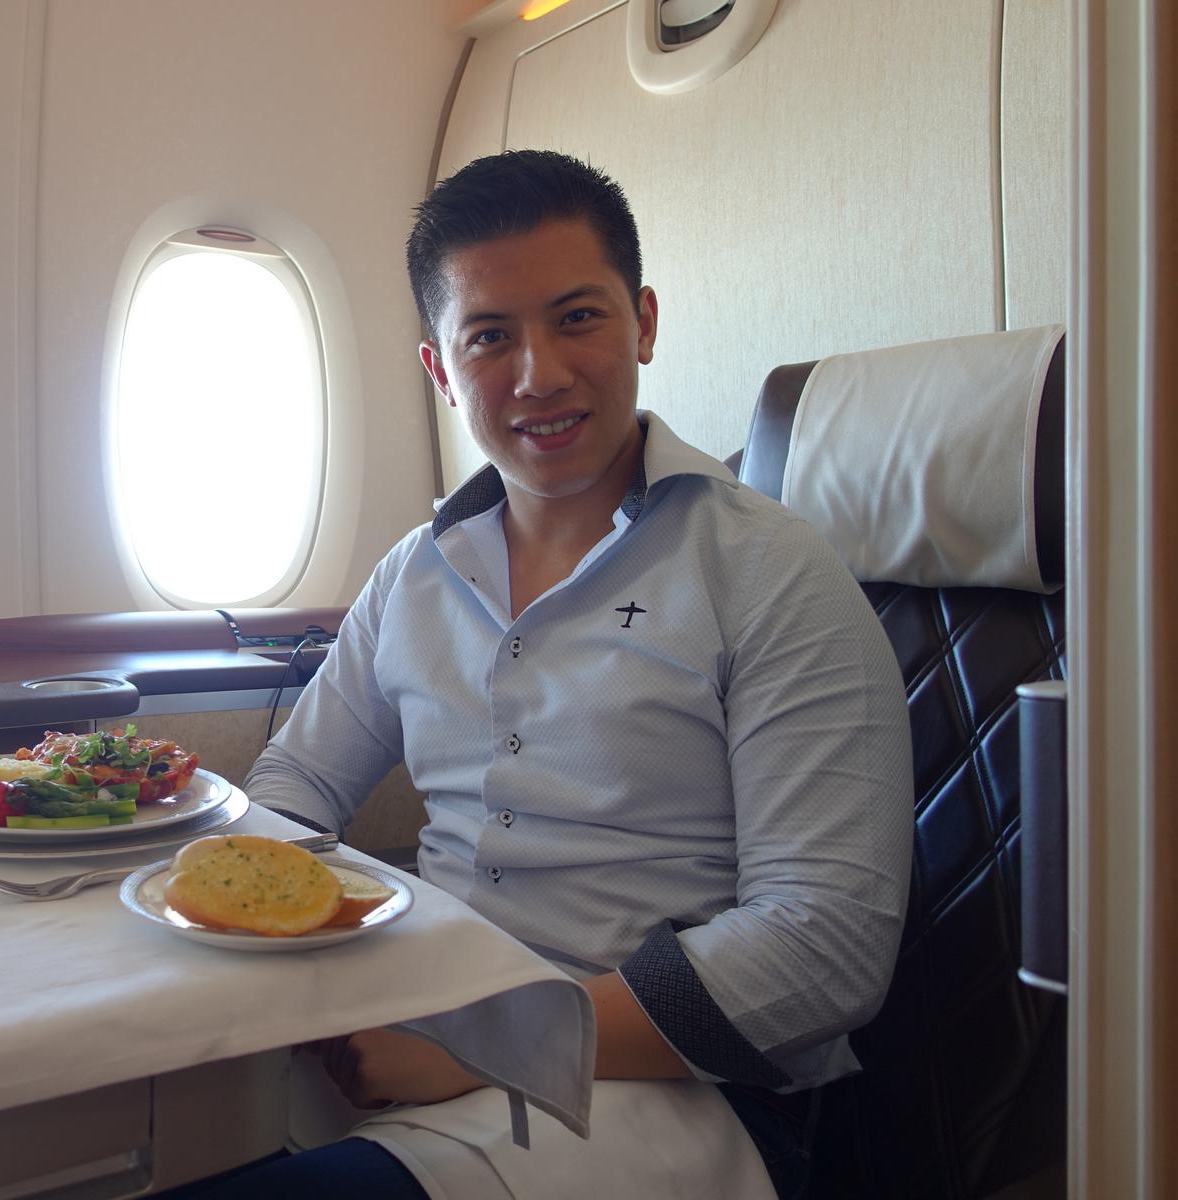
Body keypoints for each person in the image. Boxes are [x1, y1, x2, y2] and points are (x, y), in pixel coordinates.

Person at [169, 150, 913, 1200]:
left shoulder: (766, 569)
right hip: (410, 1034)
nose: (540, 375)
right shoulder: (414, 575)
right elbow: (292, 796)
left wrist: (489, 1039)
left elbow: (824, 944)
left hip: (672, 1095)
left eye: (578, 318)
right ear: (438, 369)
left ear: (644, 322)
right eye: (489, 337)